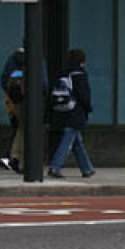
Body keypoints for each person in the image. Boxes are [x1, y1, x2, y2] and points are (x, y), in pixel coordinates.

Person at [47, 48, 95, 179]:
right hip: (75, 112)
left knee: (76, 141)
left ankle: (87, 168)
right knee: (68, 140)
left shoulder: (63, 73)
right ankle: (55, 167)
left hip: (62, 110)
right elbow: (84, 95)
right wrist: (88, 108)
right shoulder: (79, 74)